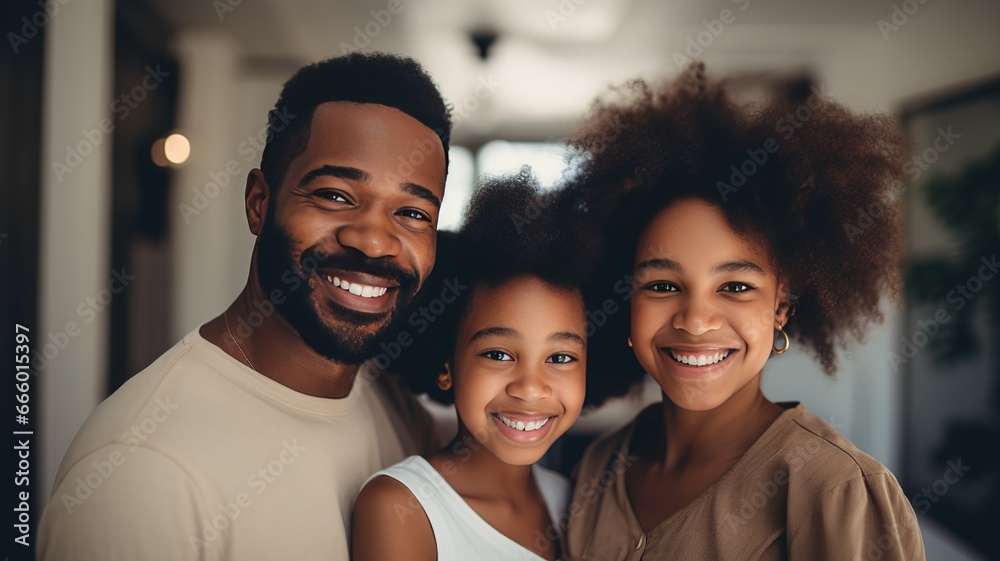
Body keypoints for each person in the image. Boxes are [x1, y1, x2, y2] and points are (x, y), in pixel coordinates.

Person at [38, 52, 451, 560]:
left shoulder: (391, 404)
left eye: (411, 213)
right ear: (259, 202)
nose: (373, 241)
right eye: (336, 196)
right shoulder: (141, 473)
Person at [560, 64, 926, 560]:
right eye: (664, 284)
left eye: (734, 286)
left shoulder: (836, 490)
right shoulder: (600, 465)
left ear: (782, 306)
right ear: (624, 299)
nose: (694, 319)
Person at [351, 172, 597, 561]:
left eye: (561, 358)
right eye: (498, 354)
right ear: (446, 365)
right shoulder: (403, 508)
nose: (531, 387)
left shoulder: (575, 501)